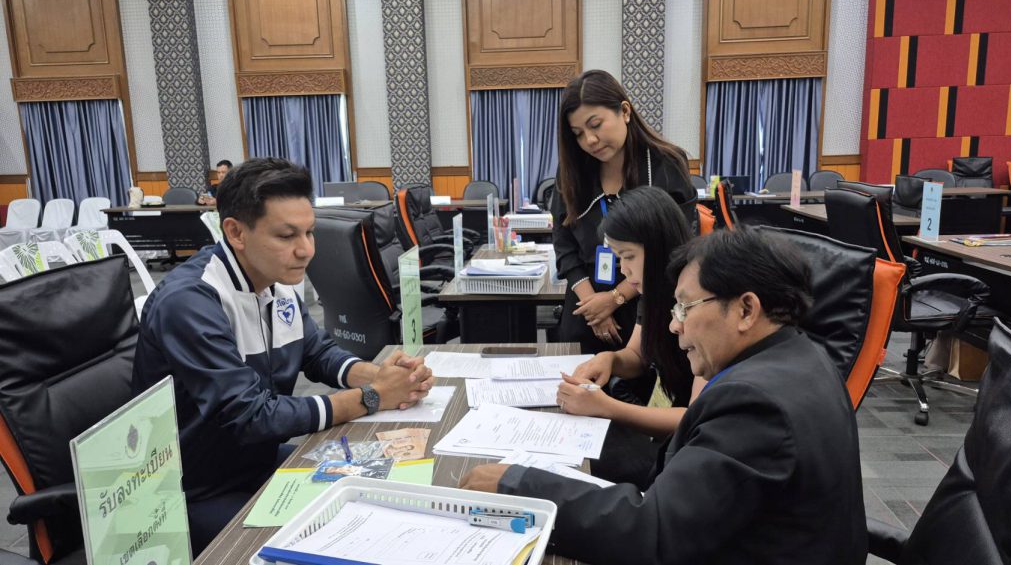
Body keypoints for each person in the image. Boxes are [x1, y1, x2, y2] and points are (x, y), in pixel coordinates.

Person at [461, 228, 867, 565]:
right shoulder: (804, 357)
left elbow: (653, 534)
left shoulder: (755, 405)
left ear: (746, 310)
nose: (675, 327)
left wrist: (519, 486)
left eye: (686, 308)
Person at [132, 158, 434, 551]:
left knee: (389, 497)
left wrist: (379, 376)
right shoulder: (191, 302)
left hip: (255, 461)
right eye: (287, 235)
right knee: (345, 542)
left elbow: (316, 352)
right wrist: (372, 397)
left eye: (309, 232)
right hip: (197, 490)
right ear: (236, 232)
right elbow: (251, 416)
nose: (306, 250)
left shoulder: (274, 280)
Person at [557, 186, 704, 485]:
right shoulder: (653, 292)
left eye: (628, 256)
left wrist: (606, 407)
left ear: (658, 246)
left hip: (686, 452)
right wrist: (609, 359)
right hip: (658, 430)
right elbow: (637, 356)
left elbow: (694, 418)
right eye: (618, 258)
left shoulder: (697, 300)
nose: (623, 270)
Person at [552, 69, 697, 359]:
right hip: (585, 309)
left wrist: (615, 298)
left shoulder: (665, 165)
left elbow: (674, 249)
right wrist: (594, 305)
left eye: (596, 125)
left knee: (639, 375)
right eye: (578, 134)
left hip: (646, 304)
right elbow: (564, 245)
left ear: (625, 111)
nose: (590, 140)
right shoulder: (572, 172)